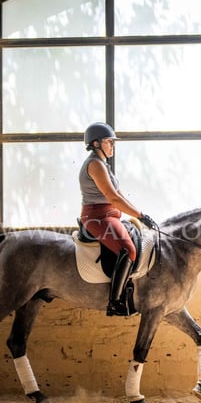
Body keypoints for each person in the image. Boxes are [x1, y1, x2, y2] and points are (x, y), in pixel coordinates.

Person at [79, 121, 158, 316]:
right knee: (127, 249)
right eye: (109, 142)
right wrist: (140, 215)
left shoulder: (103, 165)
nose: (113, 146)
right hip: (98, 217)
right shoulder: (95, 165)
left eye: (113, 143)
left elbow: (120, 197)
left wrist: (141, 214)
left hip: (110, 215)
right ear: (96, 143)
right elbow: (113, 198)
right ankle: (114, 302)